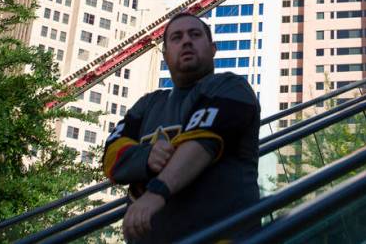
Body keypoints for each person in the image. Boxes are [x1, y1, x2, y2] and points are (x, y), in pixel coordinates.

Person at [103, 13, 260, 244]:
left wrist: (156, 192)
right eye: (176, 37)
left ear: (213, 48)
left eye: (195, 35)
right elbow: (110, 158)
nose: (186, 41)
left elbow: (202, 143)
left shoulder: (231, 87)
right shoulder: (147, 104)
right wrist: (147, 156)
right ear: (165, 55)